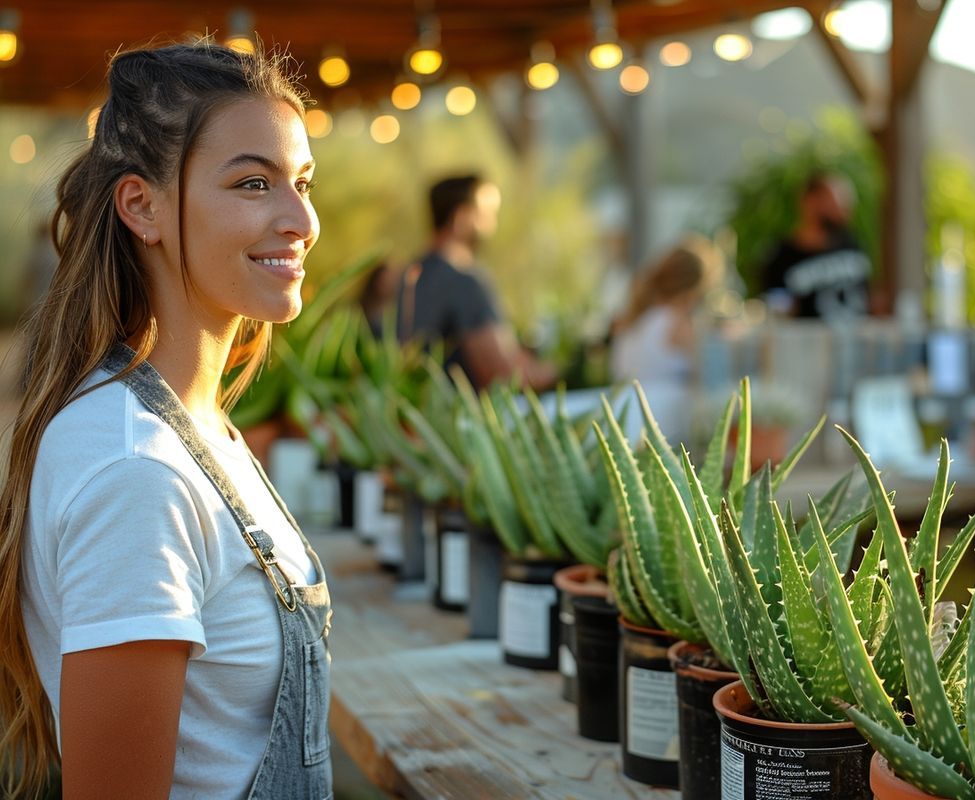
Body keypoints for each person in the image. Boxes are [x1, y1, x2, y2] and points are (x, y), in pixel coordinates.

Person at [0, 41, 331, 798]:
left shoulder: (197, 424)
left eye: (303, 182)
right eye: (254, 183)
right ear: (141, 207)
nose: (301, 219)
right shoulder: (137, 470)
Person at [395, 174, 557, 390]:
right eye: (487, 213)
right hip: (459, 417)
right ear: (462, 217)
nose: (494, 221)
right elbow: (501, 374)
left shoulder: (407, 276)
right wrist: (555, 371)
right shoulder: (463, 281)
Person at [611, 236, 725, 445]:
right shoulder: (676, 323)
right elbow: (711, 370)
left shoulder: (632, 318)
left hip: (625, 423)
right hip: (659, 428)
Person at [759, 172, 872, 321]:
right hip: (809, 341)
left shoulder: (851, 245)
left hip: (852, 339)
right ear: (810, 202)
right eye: (835, 202)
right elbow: (775, 307)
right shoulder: (781, 256)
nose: (844, 211)